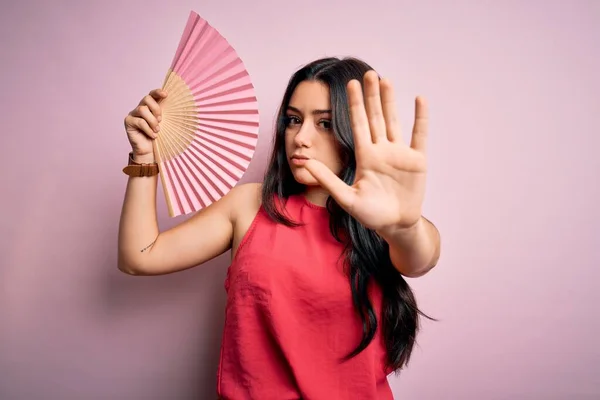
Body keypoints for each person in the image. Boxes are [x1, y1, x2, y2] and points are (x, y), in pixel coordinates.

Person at [118, 56, 441, 400]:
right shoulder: (250, 205)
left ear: (353, 132)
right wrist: (143, 157)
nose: (300, 138)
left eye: (325, 124)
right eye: (293, 120)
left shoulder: (386, 221)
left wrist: (402, 225)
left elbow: (421, 258)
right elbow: (139, 257)